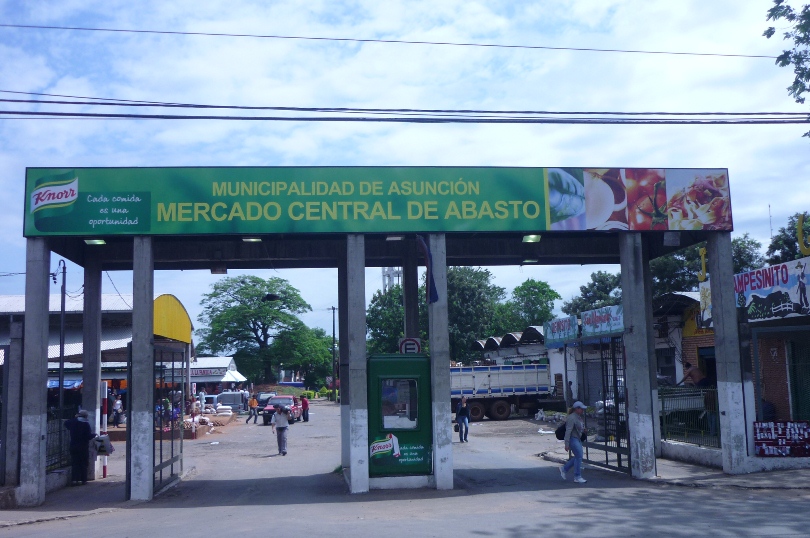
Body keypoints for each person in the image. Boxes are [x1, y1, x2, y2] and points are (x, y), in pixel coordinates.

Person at [64, 409, 97, 486]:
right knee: (83, 463)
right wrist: (94, 435)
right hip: (83, 446)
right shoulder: (85, 424)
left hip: (73, 445)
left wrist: (75, 418)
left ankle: (74, 480)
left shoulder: (73, 422)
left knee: (75, 463)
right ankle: (83, 480)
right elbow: (88, 436)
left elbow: (66, 423)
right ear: (85, 416)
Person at [560, 401, 588, 484]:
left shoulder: (578, 417)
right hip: (573, 439)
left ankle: (564, 469)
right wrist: (566, 444)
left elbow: (579, 427)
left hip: (577, 438)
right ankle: (577, 476)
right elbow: (568, 431)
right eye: (581, 409)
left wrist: (583, 430)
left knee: (578, 457)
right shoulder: (572, 417)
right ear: (577, 409)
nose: (583, 410)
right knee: (579, 456)